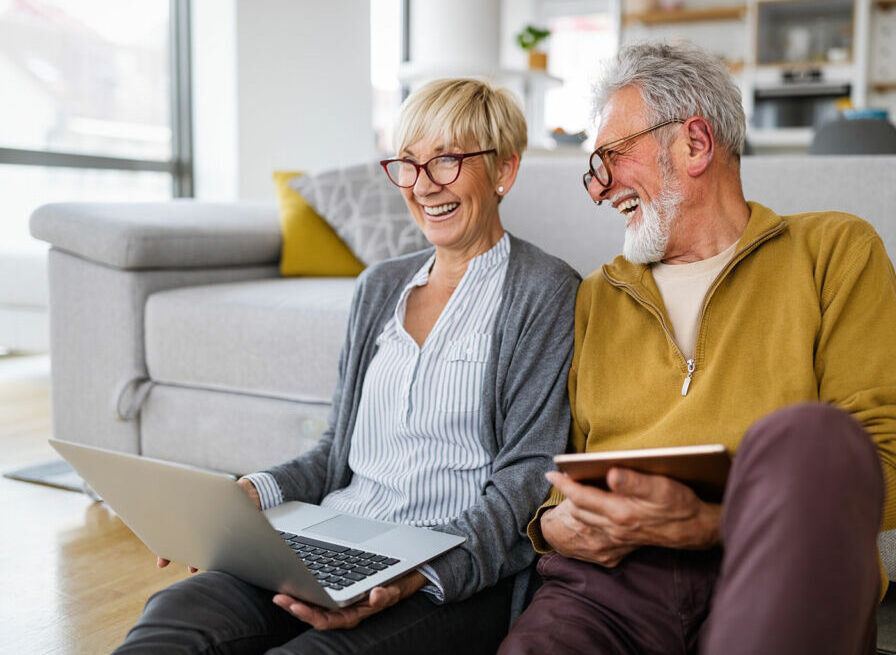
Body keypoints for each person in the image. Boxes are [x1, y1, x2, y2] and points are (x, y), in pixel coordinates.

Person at [116, 78, 580, 654]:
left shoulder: (546, 291)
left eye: (447, 160)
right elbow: (336, 451)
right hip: (334, 539)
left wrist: (414, 571)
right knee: (179, 612)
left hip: (448, 576)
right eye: (408, 164)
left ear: (504, 170)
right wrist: (248, 496)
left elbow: (526, 482)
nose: (422, 185)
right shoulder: (380, 286)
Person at [499, 41, 896, 655]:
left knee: (814, 438)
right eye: (594, 171)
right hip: (609, 584)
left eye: (611, 159)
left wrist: (712, 524)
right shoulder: (597, 294)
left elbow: (888, 471)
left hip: (774, 563)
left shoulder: (834, 252)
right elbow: (556, 473)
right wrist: (557, 526)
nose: (600, 190)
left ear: (694, 143)